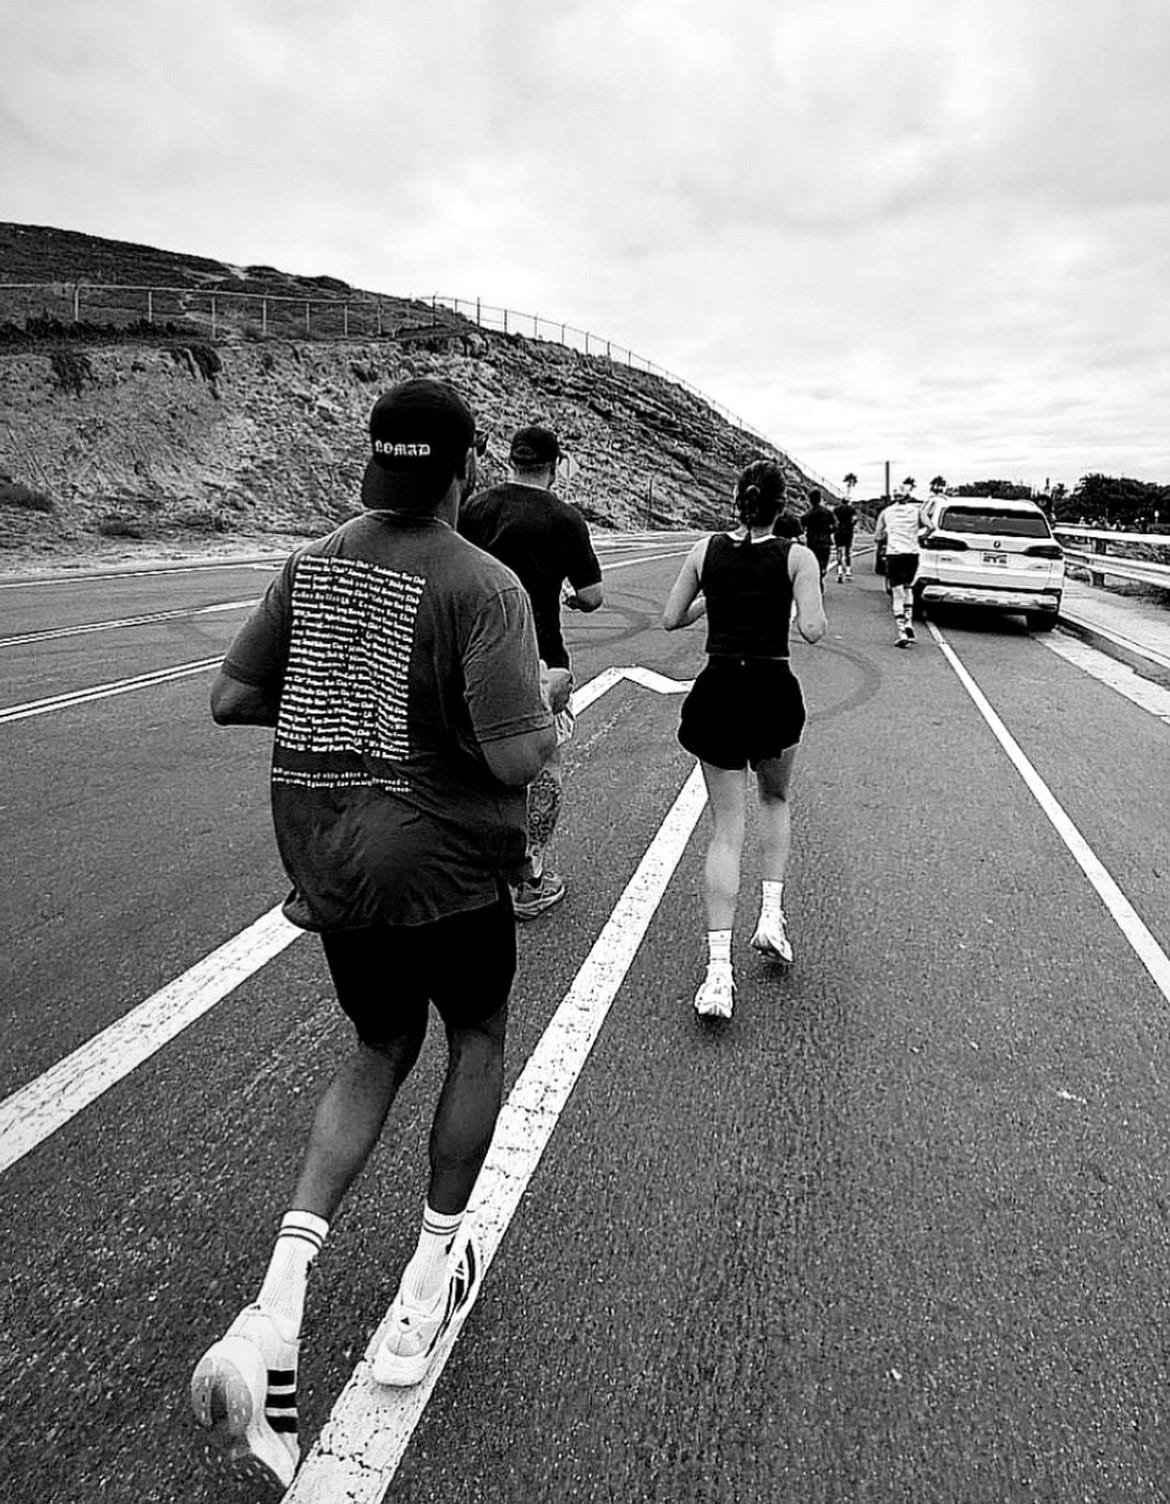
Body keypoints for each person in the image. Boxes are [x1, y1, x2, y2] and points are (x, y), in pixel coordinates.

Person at [190, 379, 557, 1490]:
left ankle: (278, 1304)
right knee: (478, 1035)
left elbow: (231, 697)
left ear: (372, 465)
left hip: (332, 862)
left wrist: (344, 696)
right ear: (460, 471)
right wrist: (539, 706)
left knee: (375, 1045)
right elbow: (513, 758)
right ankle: (426, 1282)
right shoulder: (485, 584)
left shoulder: (311, 563)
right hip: (441, 866)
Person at [662, 459, 827, 1020]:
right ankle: (771, 918)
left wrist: (720, 595)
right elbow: (813, 629)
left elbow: (670, 618)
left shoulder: (705, 552)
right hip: (771, 685)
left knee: (724, 829)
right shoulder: (797, 556)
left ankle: (717, 975)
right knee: (775, 799)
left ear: (738, 499)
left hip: (718, 687)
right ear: (783, 506)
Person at [459, 424, 604, 919]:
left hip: (472, 654)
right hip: (540, 656)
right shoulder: (565, 519)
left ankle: (472, 874)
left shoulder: (474, 509)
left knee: (473, 763)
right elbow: (592, 596)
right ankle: (529, 880)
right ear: (555, 465)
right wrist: (567, 596)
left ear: (511, 460)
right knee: (543, 768)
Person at [873, 487, 929, 646]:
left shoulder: (886, 512)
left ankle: (902, 630)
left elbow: (878, 535)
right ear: (908, 497)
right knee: (908, 588)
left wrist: (888, 535)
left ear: (894, 497)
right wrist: (920, 536)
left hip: (895, 554)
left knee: (897, 593)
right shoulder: (917, 511)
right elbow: (930, 526)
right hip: (912, 553)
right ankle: (909, 622)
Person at [802, 488, 837, 588]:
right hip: (825, 542)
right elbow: (835, 526)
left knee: (813, 562)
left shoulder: (807, 514)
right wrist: (829, 531)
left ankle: (817, 579)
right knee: (823, 562)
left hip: (812, 542)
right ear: (820, 499)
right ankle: (821, 575)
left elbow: (802, 527)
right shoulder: (828, 513)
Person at [833, 494, 857, 581]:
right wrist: (852, 525)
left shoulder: (836, 509)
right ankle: (848, 571)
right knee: (848, 552)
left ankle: (839, 571)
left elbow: (834, 520)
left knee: (839, 551)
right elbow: (854, 519)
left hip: (839, 531)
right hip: (848, 531)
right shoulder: (852, 509)